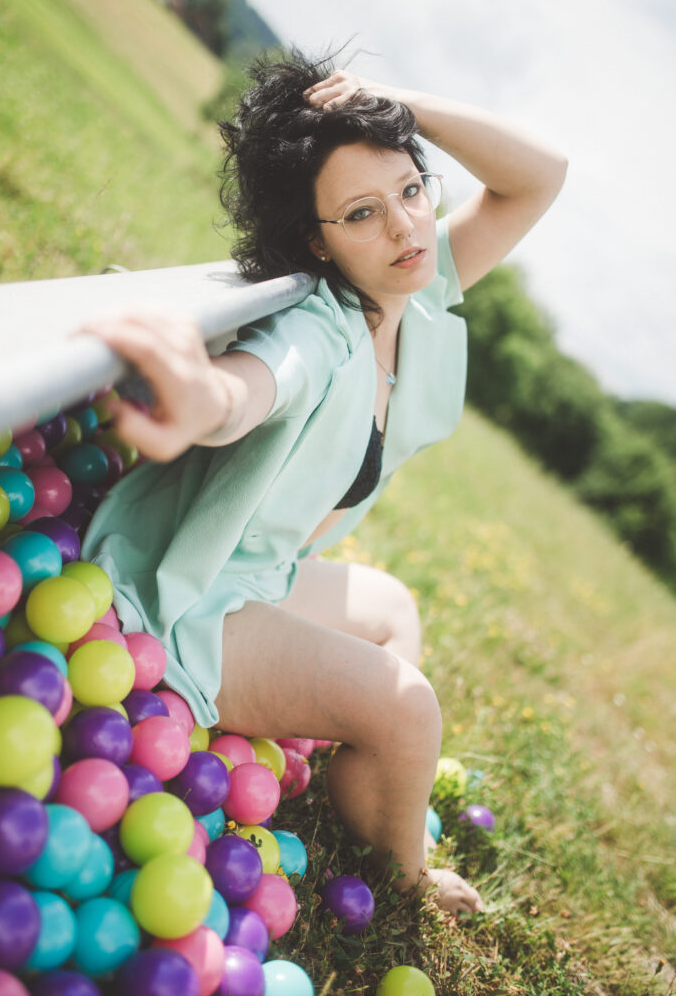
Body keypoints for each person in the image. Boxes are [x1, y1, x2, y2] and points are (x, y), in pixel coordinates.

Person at [79, 48, 567, 916]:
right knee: (408, 708)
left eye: (411, 190)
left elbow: (540, 175)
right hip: (187, 603)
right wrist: (199, 397)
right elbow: (252, 386)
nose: (405, 228)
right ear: (316, 240)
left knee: (391, 609)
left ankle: (372, 767)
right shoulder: (315, 325)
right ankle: (406, 872)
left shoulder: (414, 290)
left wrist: (397, 102)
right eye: (362, 213)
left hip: (261, 577)